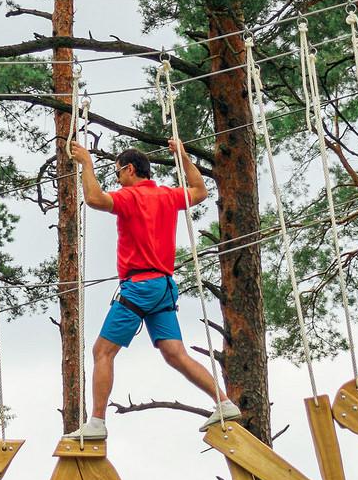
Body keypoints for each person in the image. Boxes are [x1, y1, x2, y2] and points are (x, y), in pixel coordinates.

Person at [67, 138, 239, 439]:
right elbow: (200, 191)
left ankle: (97, 422)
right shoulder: (167, 196)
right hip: (163, 287)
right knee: (174, 353)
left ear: (130, 170)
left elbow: (93, 198)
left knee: (102, 351)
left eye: (118, 172)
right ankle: (224, 402)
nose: (117, 179)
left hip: (140, 287)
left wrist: (86, 163)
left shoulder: (130, 197)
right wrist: (183, 157)